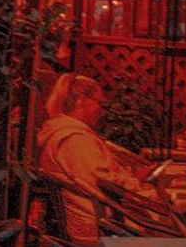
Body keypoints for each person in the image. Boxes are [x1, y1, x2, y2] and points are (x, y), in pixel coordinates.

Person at [36, 74, 156, 245]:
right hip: (102, 225)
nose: (102, 109)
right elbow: (101, 182)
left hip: (101, 218)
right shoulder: (73, 139)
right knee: (178, 222)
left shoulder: (68, 134)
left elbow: (95, 176)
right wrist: (135, 182)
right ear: (82, 101)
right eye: (100, 103)